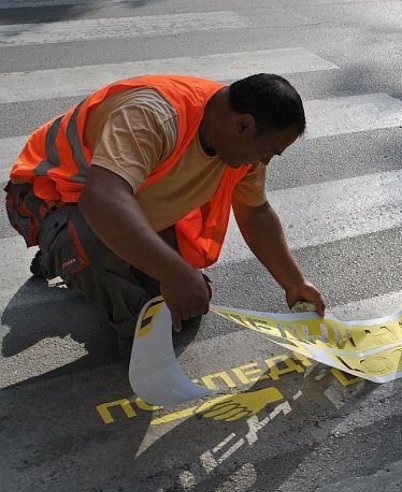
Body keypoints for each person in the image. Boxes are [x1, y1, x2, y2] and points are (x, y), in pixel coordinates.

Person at [5, 73, 325, 357]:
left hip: (127, 206)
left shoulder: (243, 150)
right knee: (125, 282)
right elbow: (102, 199)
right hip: (48, 196)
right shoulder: (154, 114)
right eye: (267, 152)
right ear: (243, 124)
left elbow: (256, 213)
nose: (264, 162)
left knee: (188, 306)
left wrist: (294, 282)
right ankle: (121, 320)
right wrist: (175, 273)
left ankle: (64, 260)